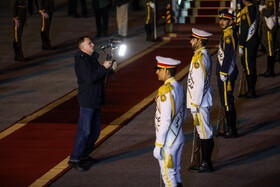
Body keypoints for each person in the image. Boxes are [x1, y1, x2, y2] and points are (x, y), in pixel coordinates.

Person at [68, 36, 117, 170]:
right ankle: (74, 158)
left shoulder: (91, 58)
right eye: (89, 43)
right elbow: (90, 78)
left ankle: (84, 155)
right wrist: (104, 67)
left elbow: (99, 76)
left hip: (95, 98)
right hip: (87, 99)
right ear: (83, 47)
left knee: (95, 131)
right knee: (85, 130)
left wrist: (110, 69)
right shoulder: (81, 61)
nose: (93, 44)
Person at [153, 56, 186, 187]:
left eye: (159, 69)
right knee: (175, 173)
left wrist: (159, 144)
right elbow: (183, 113)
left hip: (168, 141)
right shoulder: (178, 86)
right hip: (178, 135)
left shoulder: (166, 91)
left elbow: (165, 120)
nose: (157, 72)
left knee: (168, 177)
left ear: (166, 71)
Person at [187, 28, 214, 173]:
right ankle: (204, 161)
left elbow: (199, 83)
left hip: (200, 102)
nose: (191, 41)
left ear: (200, 41)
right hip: (200, 101)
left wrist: (195, 104)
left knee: (205, 132)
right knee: (203, 131)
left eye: (193, 39)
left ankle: (206, 163)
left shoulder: (200, 58)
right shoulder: (200, 55)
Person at [216, 10, 239, 138]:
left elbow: (228, 55)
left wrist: (224, 72)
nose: (221, 22)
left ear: (231, 22)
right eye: (220, 19)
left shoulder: (229, 35)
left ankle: (232, 129)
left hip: (227, 73)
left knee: (227, 101)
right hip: (225, 72)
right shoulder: (226, 33)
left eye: (224, 20)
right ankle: (229, 127)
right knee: (225, 101)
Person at [239, 0, 259, 98]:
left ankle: (251, 91)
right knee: (252, 65)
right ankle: (252, 89)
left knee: (248, 67)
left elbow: (244, 29)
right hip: (254, 40)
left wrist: (241, 45)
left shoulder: (245, 11)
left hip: (248, 42)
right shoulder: (255, 8)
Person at [259, 0, 279, 77]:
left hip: (270, 27)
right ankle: (268, 70)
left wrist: (262, 9)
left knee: (271, 49)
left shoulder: (271, 0)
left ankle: (271, 71)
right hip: (268, 26)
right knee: (269, 48)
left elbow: (267, 13)